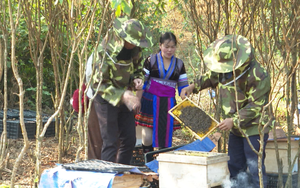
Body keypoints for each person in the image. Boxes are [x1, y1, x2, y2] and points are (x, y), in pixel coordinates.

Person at [180, 34, 271, 187]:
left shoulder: (259, 75)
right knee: (235, 166)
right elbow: (211, 76)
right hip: (235, 129)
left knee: (256, 169)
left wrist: (233, 120)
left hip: (255, 128)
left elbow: (256, 106)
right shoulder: (223, 69)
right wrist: (192, 87)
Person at [85, 16, 153, 165]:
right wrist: (123, 95)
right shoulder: (104, 51)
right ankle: (108, 178)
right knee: (110, 141)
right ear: (124, 37)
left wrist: (137, 78)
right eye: (133, 42)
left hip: (125, 95)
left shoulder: (136, 49)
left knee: (129, 139)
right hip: (105, 97)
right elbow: (97, 84)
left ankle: (122, 174)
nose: (135, 45)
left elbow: (137, 68)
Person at [135, 32, 189, 162]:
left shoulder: (179, 65)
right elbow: (142, 82)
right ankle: (149, 162)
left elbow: (183, 86)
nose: (170, 50)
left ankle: (162, 168)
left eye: (173, 47)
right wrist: (137, 101)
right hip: (149, 101)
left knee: (164, 140)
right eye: (166, 46)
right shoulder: (150, 60)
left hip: (168, 104)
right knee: (147, 137)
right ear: (160, 45)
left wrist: (185, 95)